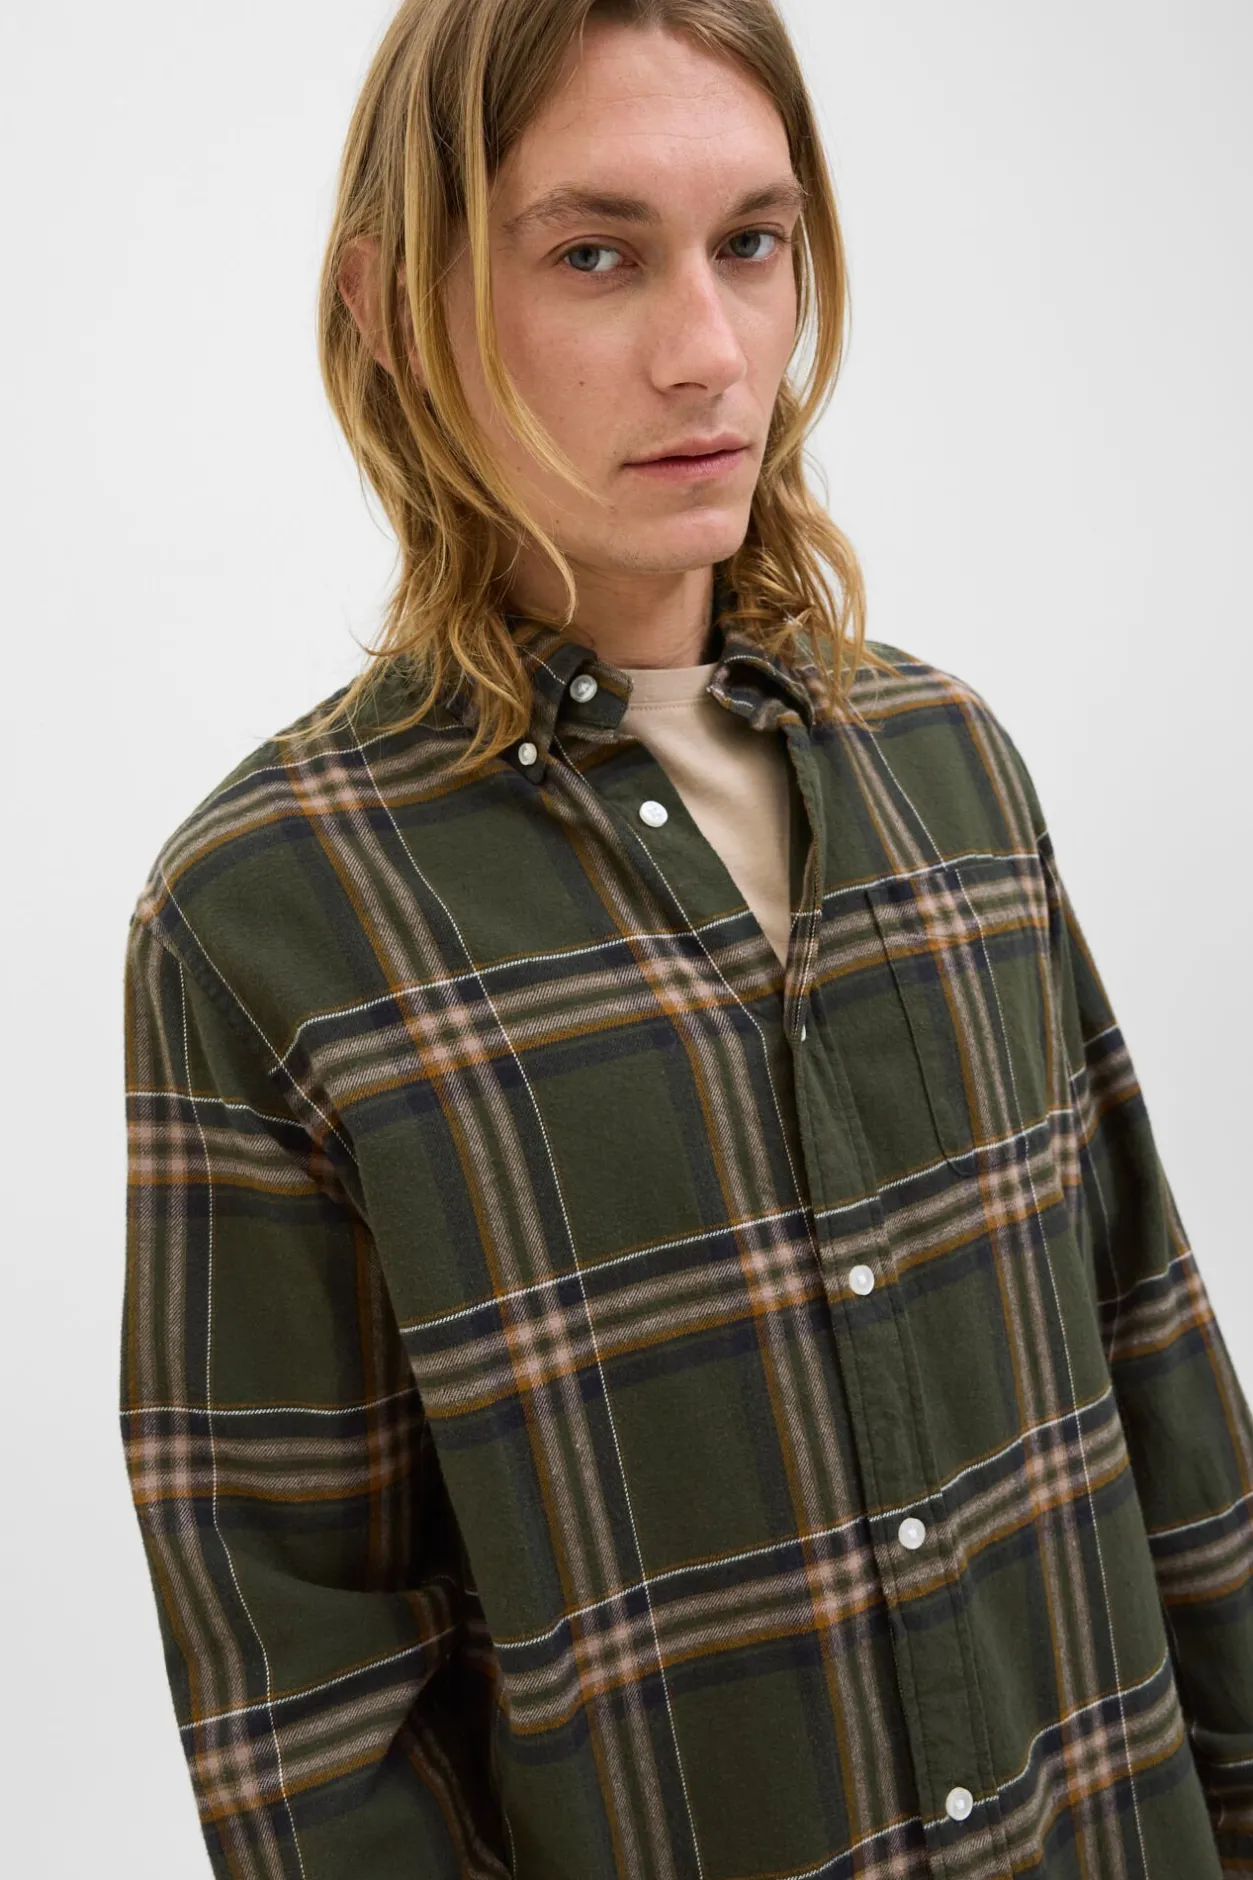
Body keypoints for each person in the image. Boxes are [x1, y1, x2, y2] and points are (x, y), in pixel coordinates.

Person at [119, 2, 1253, 1875]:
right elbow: (310, 1697)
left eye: (753, 242)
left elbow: (1159, 1373)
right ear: (392, 306)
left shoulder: (954, 773)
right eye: (596, 255)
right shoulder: (267, 918)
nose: (708, 349)